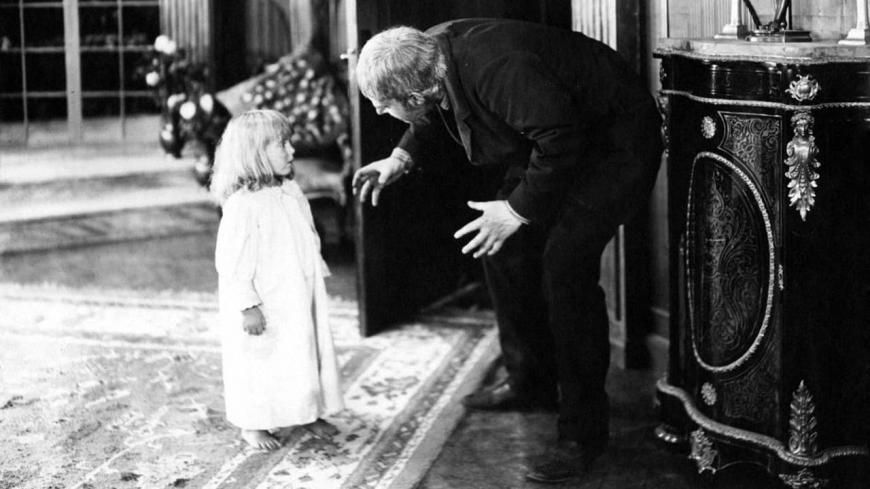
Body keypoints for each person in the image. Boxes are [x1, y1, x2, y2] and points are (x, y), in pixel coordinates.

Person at [352, 19, 662, 483]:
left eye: (383, 104)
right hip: (556, 143)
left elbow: (563, 138)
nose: (379, 112)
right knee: (500, 249)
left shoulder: (498, 69)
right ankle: (530, 381)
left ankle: (583, 435)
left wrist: (516, 211)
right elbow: (435, 110)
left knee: (565, 270)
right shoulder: (428, 55)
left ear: (413, 95)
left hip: (613, 145)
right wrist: (401, 157)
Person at [211, 109, 343, 450]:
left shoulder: (289, 189)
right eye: (281, 144)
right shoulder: (242, 205)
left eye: (289, 142)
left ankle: (306, 410)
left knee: (302, 352)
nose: (291, 150)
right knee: (262, 361)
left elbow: (307, 232)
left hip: (296, 291)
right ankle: (252, 423)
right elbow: (232, 262)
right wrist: (247, 305)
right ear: (254, 154)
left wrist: (315, 271)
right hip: (265, 300)